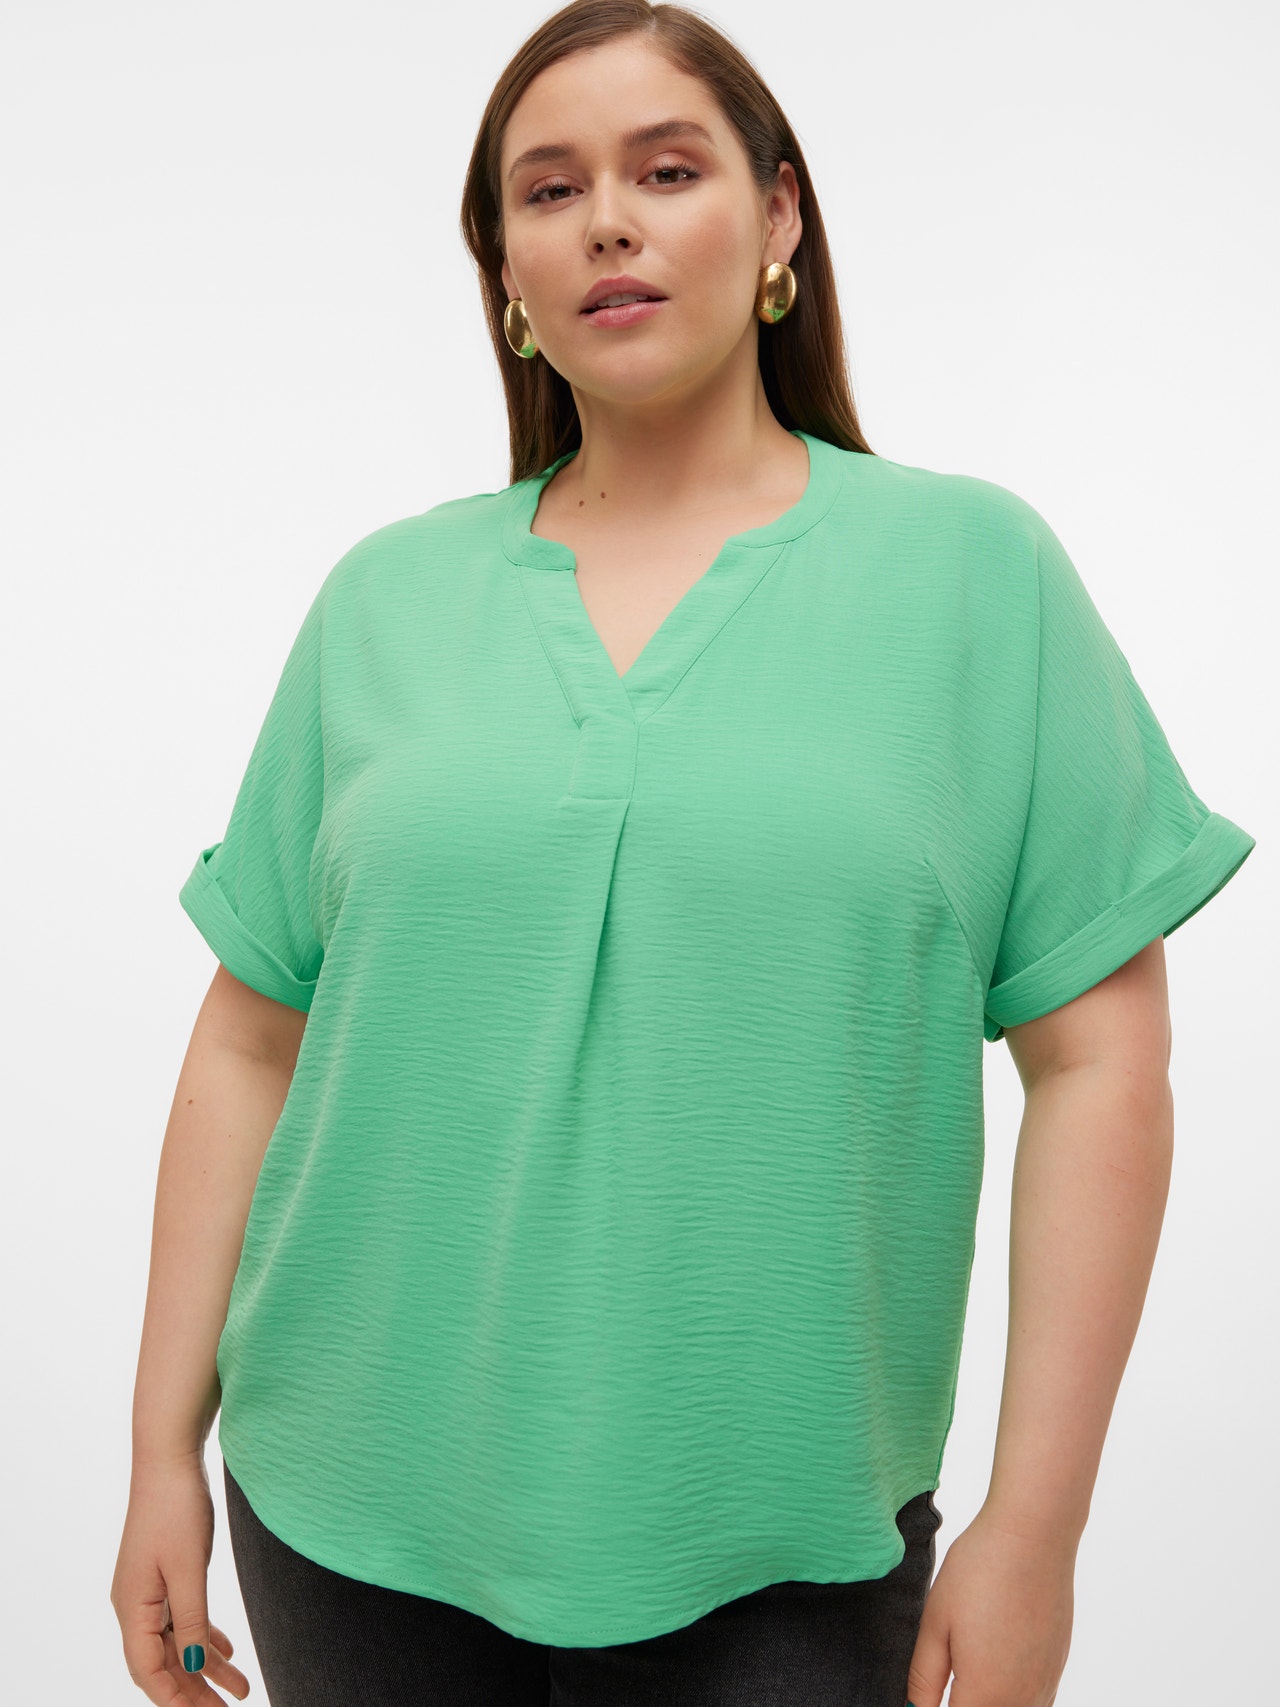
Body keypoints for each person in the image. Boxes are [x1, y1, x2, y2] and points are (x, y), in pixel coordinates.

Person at [110, 2, 1257, 1703]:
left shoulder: (974, 577)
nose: (608, 223)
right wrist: (158, 1453)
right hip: (344, 1505)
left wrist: (1038, 1525)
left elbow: (1100, 1065)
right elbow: (251, 1037)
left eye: (666, 171)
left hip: (782, 1534)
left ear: (779, 217)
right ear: (506, 268)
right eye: (548, 189)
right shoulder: (385, 601)